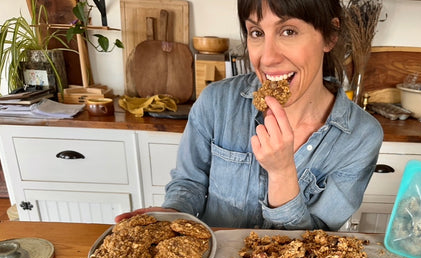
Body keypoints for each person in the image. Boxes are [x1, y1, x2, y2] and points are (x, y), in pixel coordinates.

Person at [115, 0, 383, 231]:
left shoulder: (361, 136)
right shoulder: (216, 102)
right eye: (256, 32)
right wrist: (173, 214)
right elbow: (190, 183)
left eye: (288, 31)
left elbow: (317, 244)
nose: (267, 58)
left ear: (330, 36)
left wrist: (282, 174)